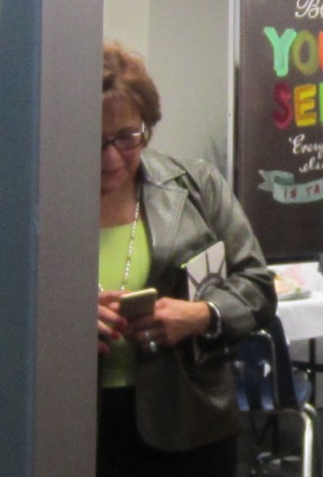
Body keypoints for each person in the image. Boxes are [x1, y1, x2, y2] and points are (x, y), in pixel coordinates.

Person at [96, 41, 276, 477]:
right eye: (93, 139)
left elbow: (257, 286)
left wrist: (200, 315)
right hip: (70, 418)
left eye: (127, 137)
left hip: (189, 418)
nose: (111, 158)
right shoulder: (35, 199)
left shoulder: (196, 186)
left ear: (147, 127)